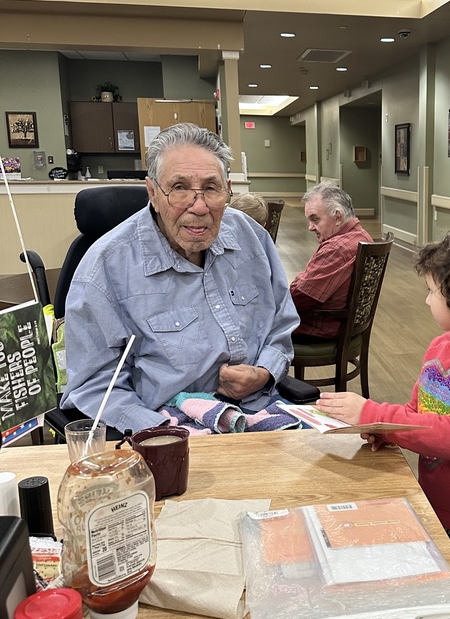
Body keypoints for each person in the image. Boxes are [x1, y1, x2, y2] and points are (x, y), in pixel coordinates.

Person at [317, 227, 450, 615]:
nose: (426, 300)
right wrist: (387, 431)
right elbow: (420, 414)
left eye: (433, 292)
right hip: (435, 504)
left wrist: (373, 412)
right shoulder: (441, 346)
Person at [61, 123, 299, 434]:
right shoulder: (105, 269)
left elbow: (281, 321)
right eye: (179, 188)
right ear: (153, 193)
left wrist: (266, 371)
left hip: (261, 409)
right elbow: (95, 387)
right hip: (166, 426)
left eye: (211, 188)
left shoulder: (251, 238)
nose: (198, 207)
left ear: (227, 190)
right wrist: (163, 433)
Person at [290, 183, 372, 339]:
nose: (310, 227)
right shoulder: (361, 235)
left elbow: (299, 297)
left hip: (320, 327)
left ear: (338, 217)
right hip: (343, 325)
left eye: (315, 220)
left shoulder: (337, 249)